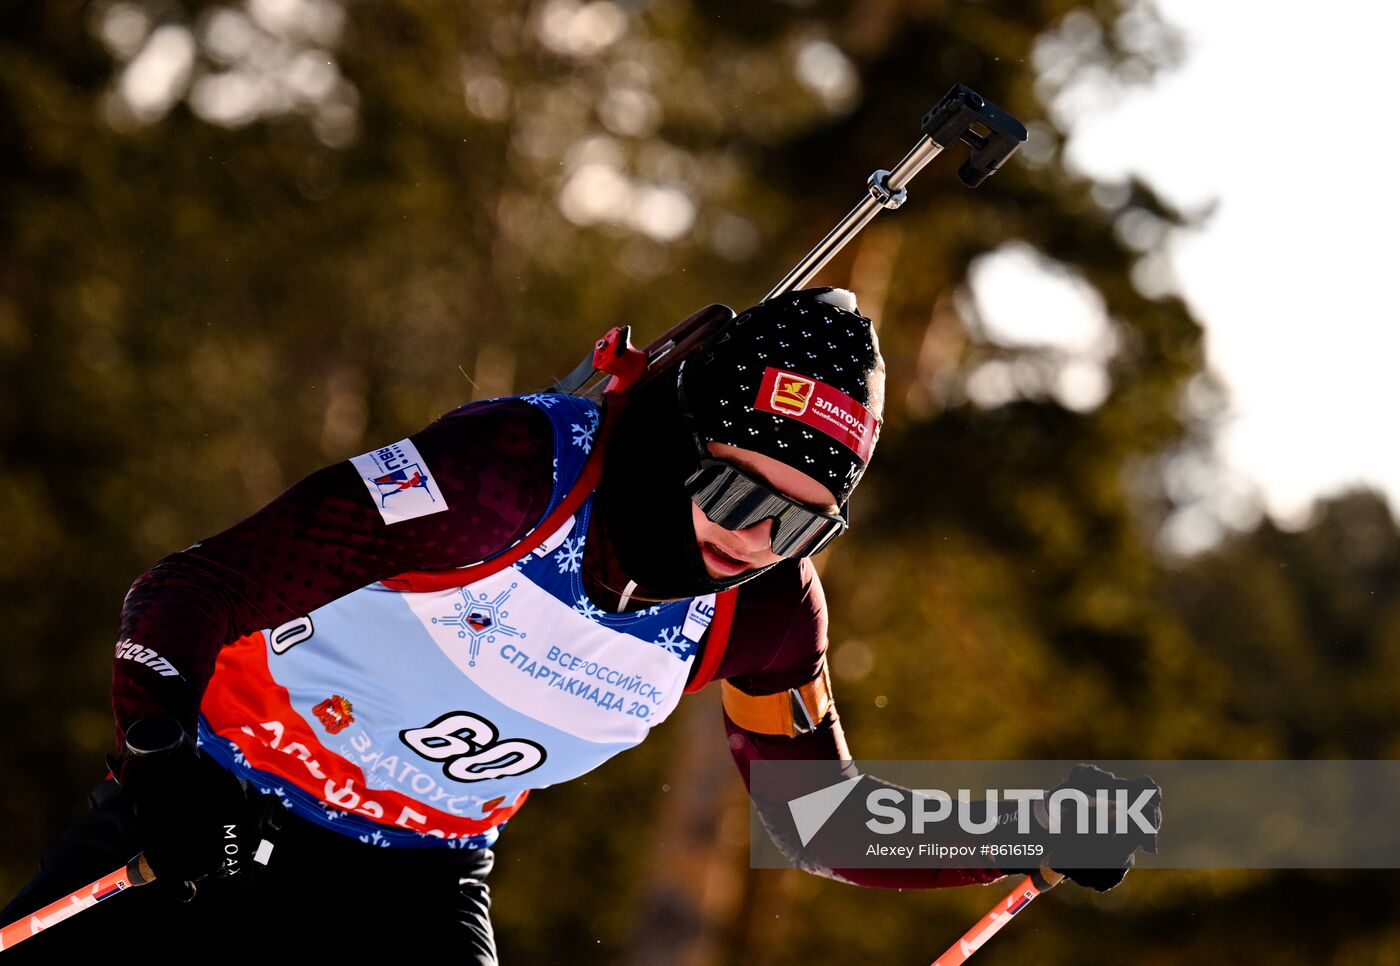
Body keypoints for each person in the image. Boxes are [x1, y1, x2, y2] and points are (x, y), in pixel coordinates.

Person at [2, 288, 1146, 961]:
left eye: (803, 528)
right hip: (215, 824)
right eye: (739, 495)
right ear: (677, 438)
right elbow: (186, 593)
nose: (753, 543)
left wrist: (1027, 824)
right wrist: (159, 762)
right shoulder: (508, 476)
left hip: (415, 891)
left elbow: (820, 822)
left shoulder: (758, 614)